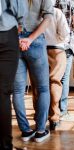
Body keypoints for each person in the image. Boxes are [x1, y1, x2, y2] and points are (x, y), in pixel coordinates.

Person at [13, 0, 53, 143]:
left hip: (15, 41)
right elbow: (48, 19)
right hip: (35, 41)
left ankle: (25, 131)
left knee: (18, 91)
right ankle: (40, 131)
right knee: (43, 89)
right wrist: (29, 39)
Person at [0, 0, 27, 149]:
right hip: (5, 31)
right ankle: (4, 146)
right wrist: (20, 22)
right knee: (2, 93)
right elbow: (18, 5)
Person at [45, 0, 70, 130]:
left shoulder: (35, 13)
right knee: (55, 82)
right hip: (57, 50)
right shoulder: (57, 12)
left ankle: (40, 116)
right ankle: (54, 118)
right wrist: (59, 39)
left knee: (40, 84)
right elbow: (65, 33)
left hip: (40, 50)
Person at [55, 0, 74, 120]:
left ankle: (52, 110)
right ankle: (63, 110)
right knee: (64, 78)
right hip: (67, 45)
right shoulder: (73, 5)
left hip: (52, 45)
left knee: (53, 78)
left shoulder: (51, 4)